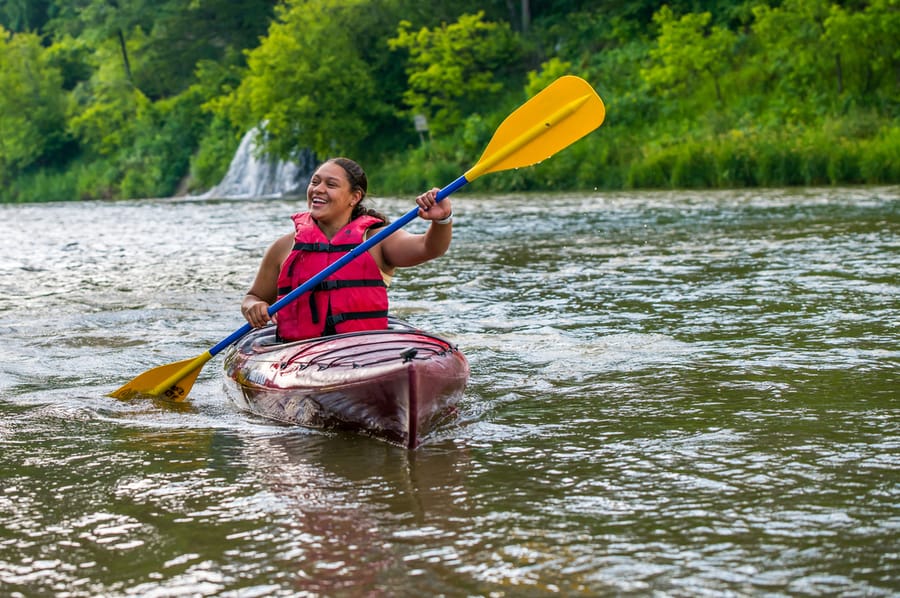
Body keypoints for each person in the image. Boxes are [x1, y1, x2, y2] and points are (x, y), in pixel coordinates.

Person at [241, 157, 453, 341]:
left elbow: (429, 247)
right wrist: (254, 307)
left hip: (362, 351)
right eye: (315, 182)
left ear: (355, 197)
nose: (318, 189)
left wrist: (442, 220)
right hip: (298, 355)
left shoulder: (376, 240)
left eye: (331, 185)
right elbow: (254, 296)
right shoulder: (284, 247)